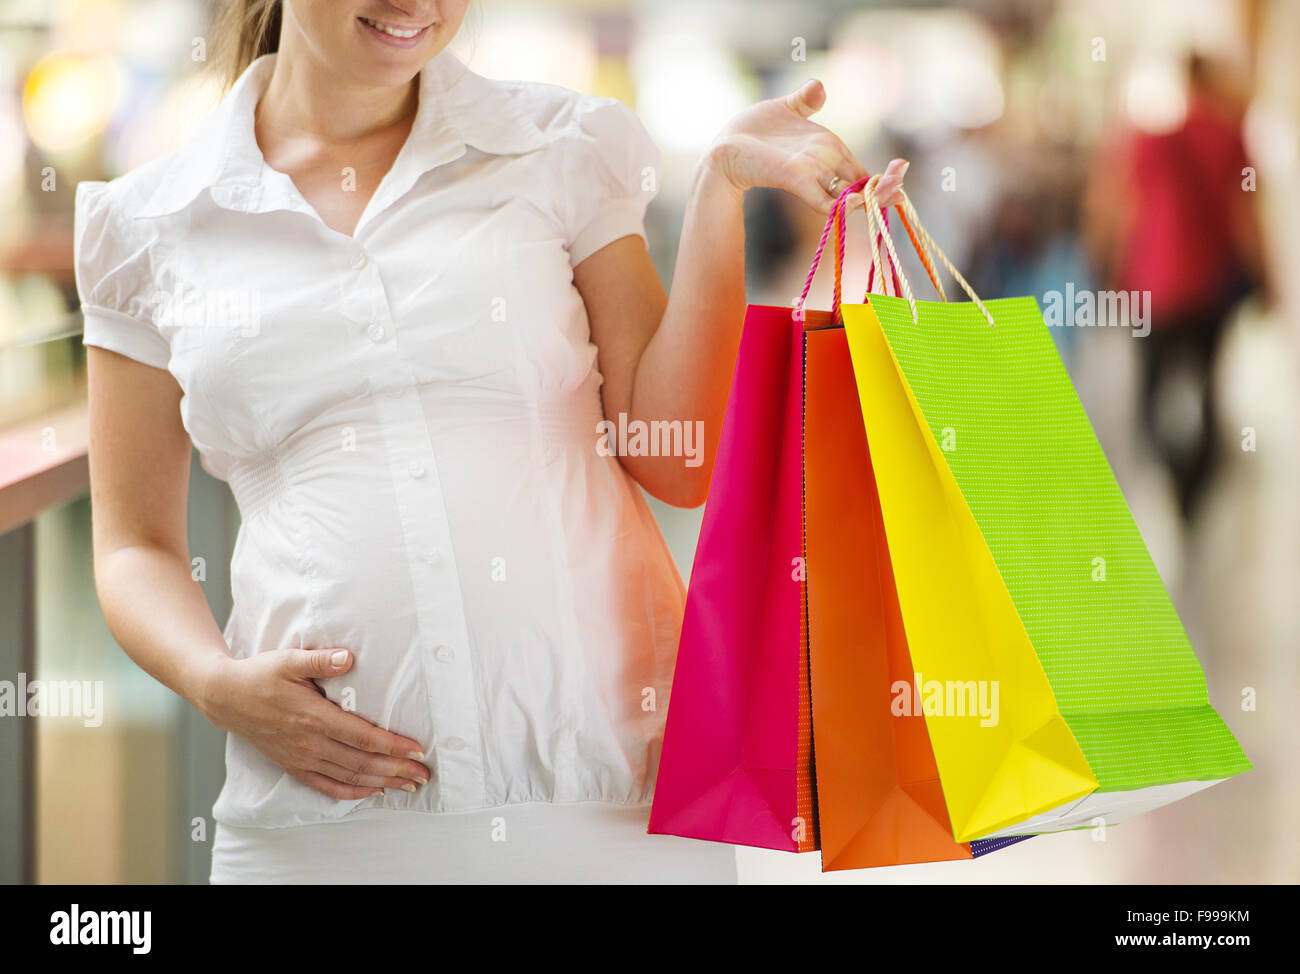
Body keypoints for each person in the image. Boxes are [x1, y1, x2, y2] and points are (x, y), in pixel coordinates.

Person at [75, 0, 906, 883]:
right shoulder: (150, 224)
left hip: (610, 805)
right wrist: (214, 683)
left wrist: (719, 190)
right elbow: (135, 546)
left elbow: (677, 460)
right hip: (316, 824)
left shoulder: (558, 148)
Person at [1098, 53, 1264, 522]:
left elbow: (1121, 209)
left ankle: (1162, 476)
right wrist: (1265, 276)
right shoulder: (1232, 137)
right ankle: (1193, 488)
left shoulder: (1150, 139)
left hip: (1151, 286)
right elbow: (1246, 215)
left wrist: (1110, 271)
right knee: (1208, 387)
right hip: (1208, 289)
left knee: (1150, 389)